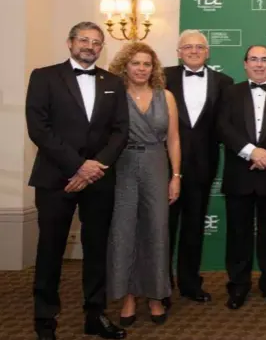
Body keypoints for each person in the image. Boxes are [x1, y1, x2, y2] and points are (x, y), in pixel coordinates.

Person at [25, 21, 128, 340]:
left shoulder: (113, 82)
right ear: (69, 43)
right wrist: (78, 166)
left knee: (96, 249)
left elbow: (120, 130)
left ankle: (95, 315)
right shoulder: (44, 76)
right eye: (84, 40)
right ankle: (45, 318)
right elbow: (39, 128)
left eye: (96, 42)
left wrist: (95, 167)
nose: (90, 46)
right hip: (57, 179)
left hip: (99, 178)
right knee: (50, 250)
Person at [106, 42, 181, 325]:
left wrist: (176, 176)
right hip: (122, 166)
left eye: (147, 64)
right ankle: (127, 297)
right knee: (124, 232)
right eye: (136, 63)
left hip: (156, 165)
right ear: (125, 65)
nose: (141, 68)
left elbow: (173, 139)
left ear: (154, 69)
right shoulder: (113, 96)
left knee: (156, 231)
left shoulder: (166, 97)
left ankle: (155, 296)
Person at [217, 45, 266, 309]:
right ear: (245, 64)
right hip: (239, 174)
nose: (259, 64)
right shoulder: (229, 92)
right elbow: (223, 127)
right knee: (238, 234)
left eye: (264, 60)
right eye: (254, 60)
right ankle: (238, 286)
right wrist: (251, 152)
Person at [163, 29, 234, 308]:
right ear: (179, 52)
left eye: (199, 47)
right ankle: (161, 285)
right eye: (188, 46)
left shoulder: (224, 82)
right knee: (164, 228)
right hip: (165, 166)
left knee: (193, 228)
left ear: (208, 52)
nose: (193, 50)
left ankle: (190, 283)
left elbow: (226, 126)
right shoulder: (162, 77)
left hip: (204, 166)